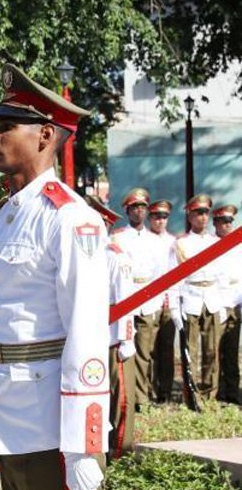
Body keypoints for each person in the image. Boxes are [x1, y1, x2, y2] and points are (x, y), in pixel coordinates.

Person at [0, 64, 109, 490]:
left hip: (56, 423)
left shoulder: (70, 216)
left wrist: (84, 442)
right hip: (14, 412)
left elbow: (86, 331)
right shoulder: (9, 213)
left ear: (44, 136)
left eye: (5, 127)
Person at [87, 196, 136, 457]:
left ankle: (121, 451)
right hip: (89, 338)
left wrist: (126, 340)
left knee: (121, 399)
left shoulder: (114, 257)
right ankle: (100, 447)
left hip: (112, 338)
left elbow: (126, 300)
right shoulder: (83, 254)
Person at [111, 188, 163, 408]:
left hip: (149, 297)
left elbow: (160, 272)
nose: (139, 211)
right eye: (134, 207)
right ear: (127, 210)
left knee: (146, 350)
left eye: (143, 207)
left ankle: (143, 395)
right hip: (127, 296)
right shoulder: (118, 237)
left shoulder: (155, 239)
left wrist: (161, 299)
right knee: (126, 349)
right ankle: (133, 397)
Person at [170, 194, 224, 400]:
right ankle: (192, 395)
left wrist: (224, 304)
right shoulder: (181, 243)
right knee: (189, 351)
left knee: (212, 351)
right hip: (190, 297)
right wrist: (175, 307)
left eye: (205, 213)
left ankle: (211, 393)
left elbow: (222, 276)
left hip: (212, 298)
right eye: (197, 213)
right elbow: (175, 278)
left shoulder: (215, 242)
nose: (202, 217)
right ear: (189, 216)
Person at [148, 200, 177, 402]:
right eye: (157, 217)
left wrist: (172, 299)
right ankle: (149, 389)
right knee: (148, 348)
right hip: (147, 301)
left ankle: (165, 391)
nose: (160, 221)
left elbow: (176, 275)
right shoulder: (143, 239)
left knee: (166, 348)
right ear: (151, 218)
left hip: (168, 300)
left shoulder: (174, 242)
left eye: (164, 217)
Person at [214, 204, 241, 403]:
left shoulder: (238, 245)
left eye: (230, 221)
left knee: (232, 350)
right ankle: (216, 391)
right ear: (215, 223)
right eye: (223, 221)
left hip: (235, 301)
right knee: (213, 350)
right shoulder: (209, 244)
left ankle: (232, 391)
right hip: (217, 302)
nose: (227, 225)